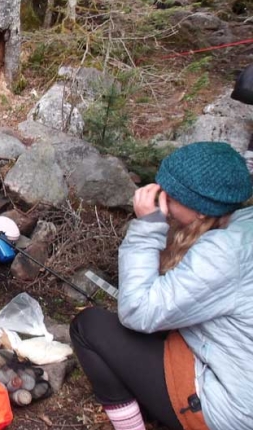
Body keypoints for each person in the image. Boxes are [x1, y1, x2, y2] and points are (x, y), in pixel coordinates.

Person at [70, 142, 253, 430]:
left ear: (201, 209)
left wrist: (148, 227)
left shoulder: (223, 254)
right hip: (238, 375)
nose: (163, 201)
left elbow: (137, 311)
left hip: (229, 410)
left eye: (172, 196)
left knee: (89, 326)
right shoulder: (243, 225)